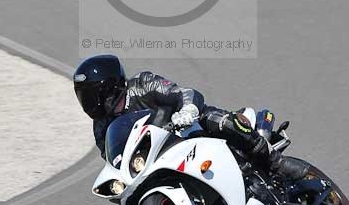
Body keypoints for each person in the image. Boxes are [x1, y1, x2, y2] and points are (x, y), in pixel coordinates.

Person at [73, 53, 306, 180]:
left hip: (189, 127)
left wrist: (187, 110)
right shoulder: (101, 127)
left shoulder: (142, 84)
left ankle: (277, 163)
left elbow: (183, 93)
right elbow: (113, 159)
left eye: (93, 94)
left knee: (217, 121)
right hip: (158, 157)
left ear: (111, 87)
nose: (90, 102)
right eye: (84, 96)